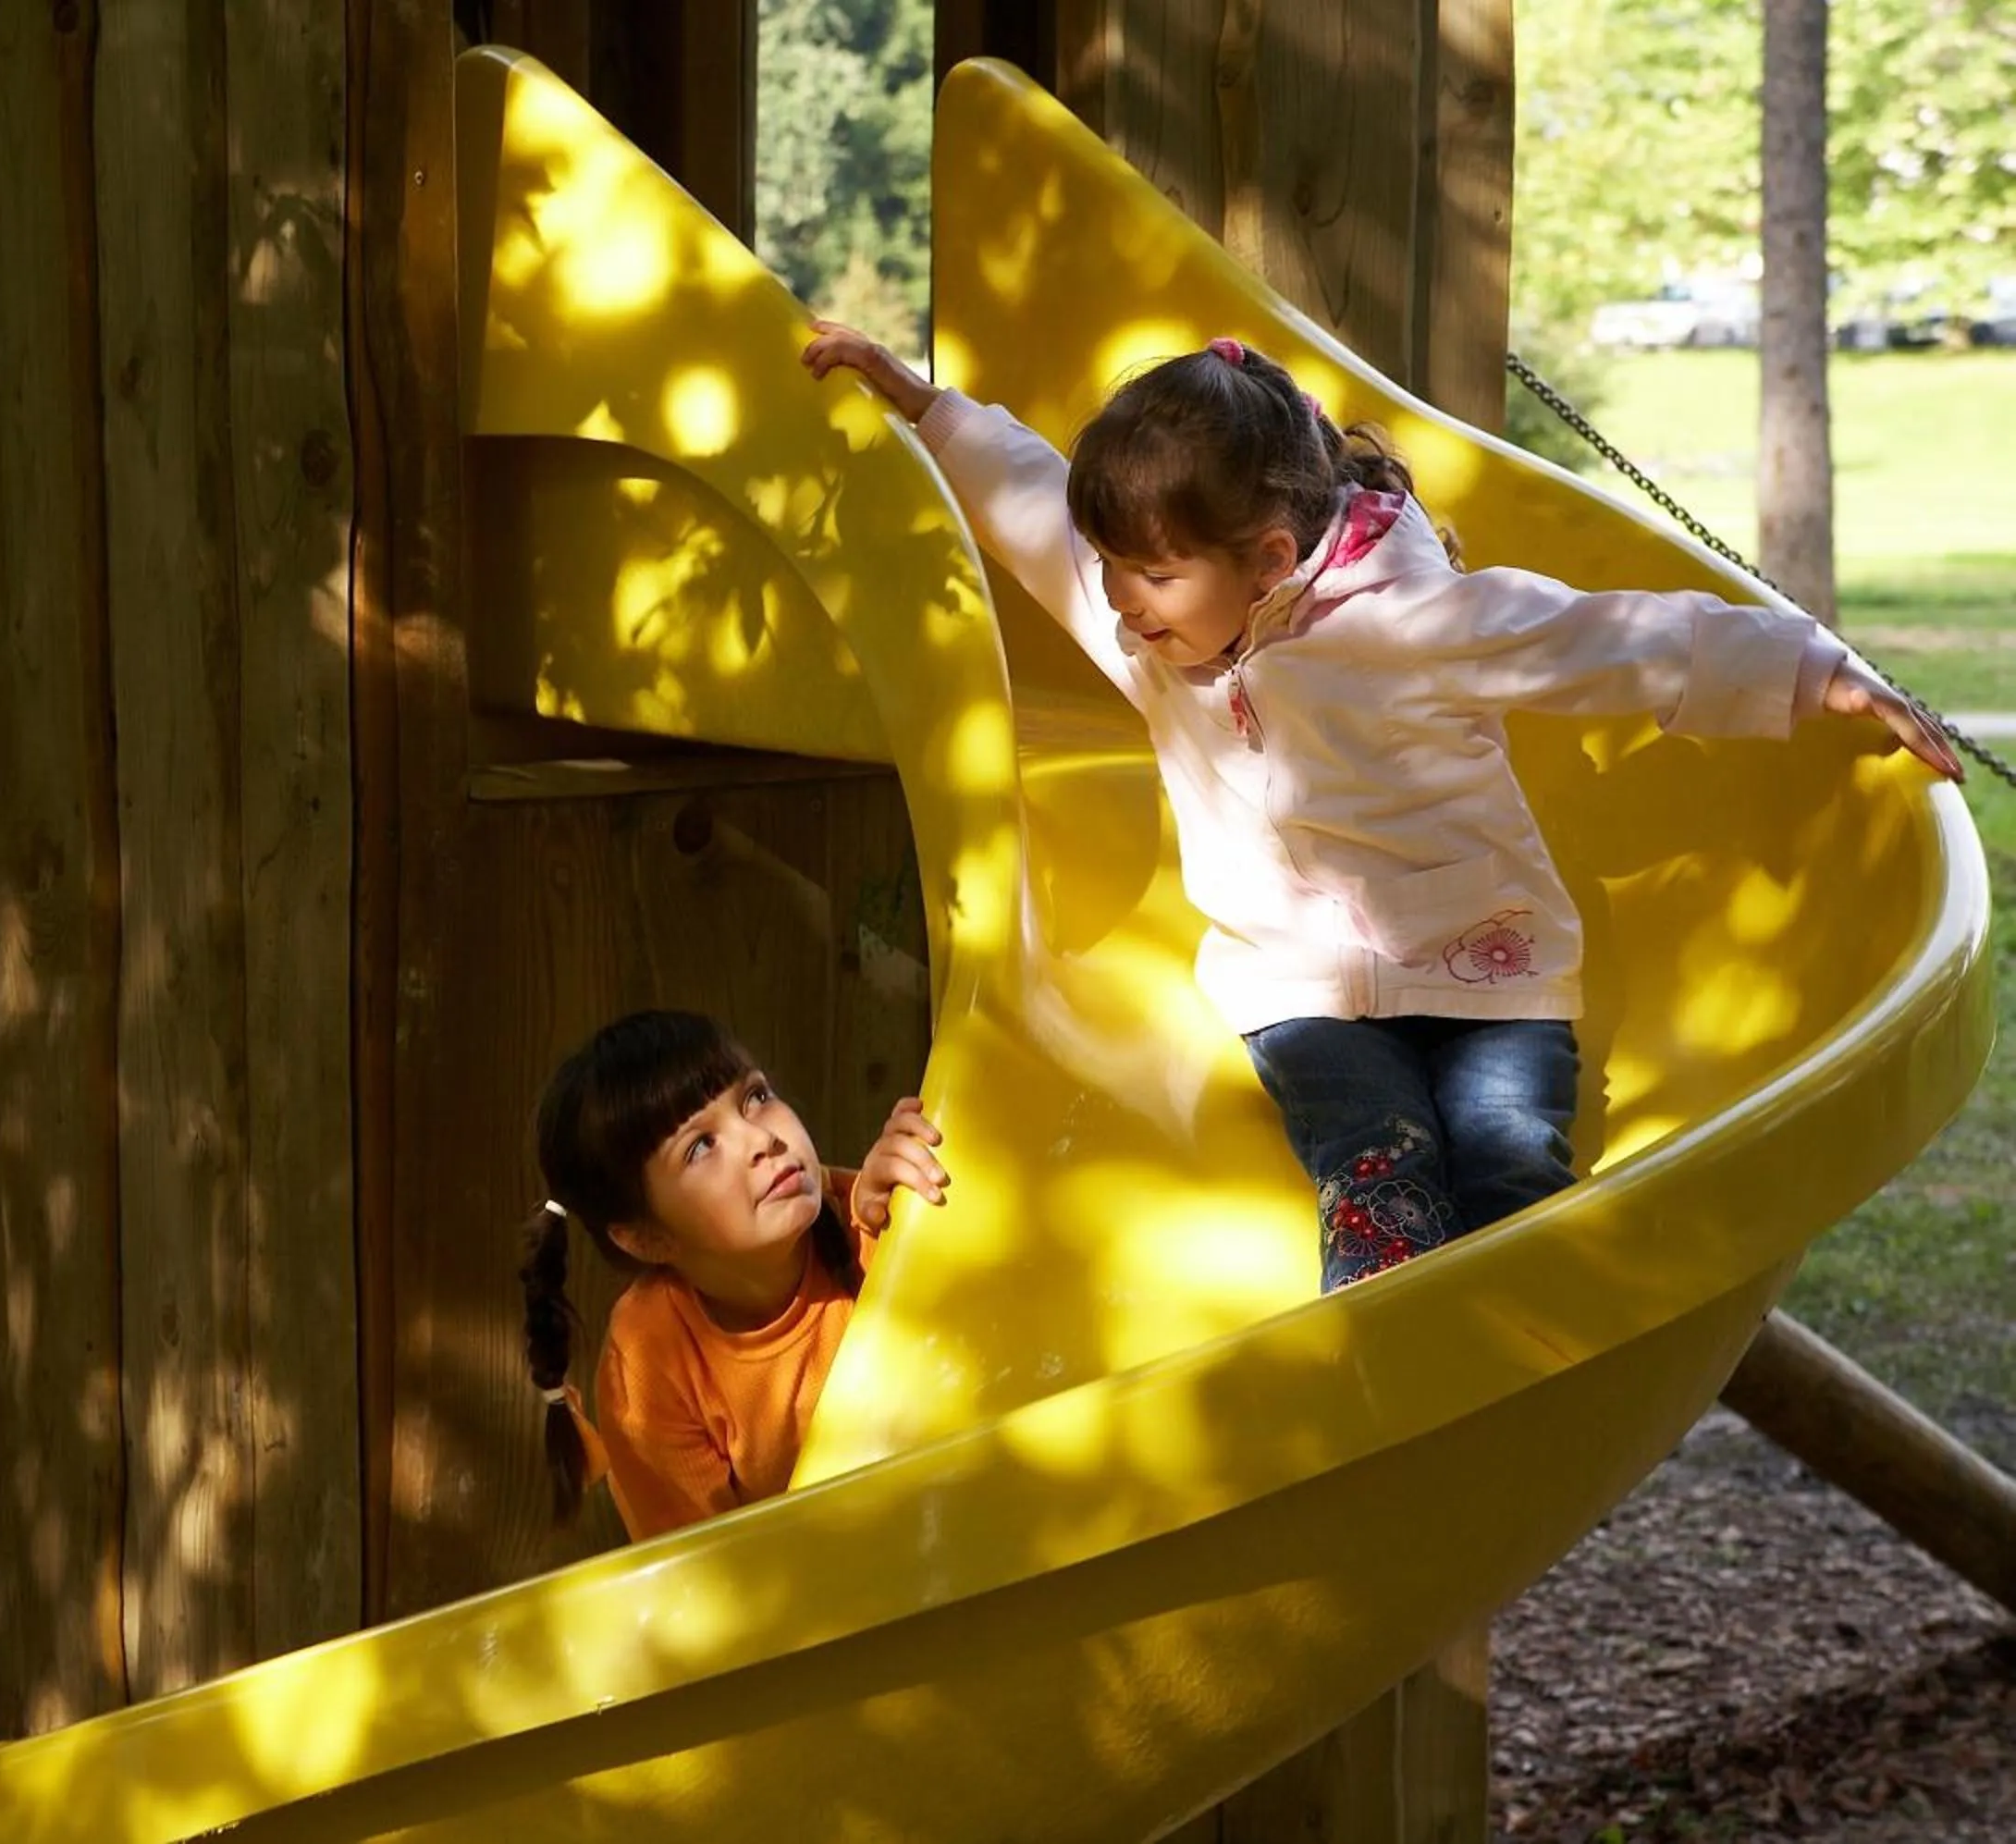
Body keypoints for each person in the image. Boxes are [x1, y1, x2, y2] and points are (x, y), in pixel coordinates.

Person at [803, 325, 1960, 1290]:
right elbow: (1032, 503)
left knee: (1509, 1164)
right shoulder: (1148, 625)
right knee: (1375, 1165)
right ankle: (1390, 1359)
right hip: (1297, 987)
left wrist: (1817, 670)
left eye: (1149, 574)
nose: (1117, 598)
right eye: (1112, 567)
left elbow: (1611, 642)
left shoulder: (1413, 624)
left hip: (1487, 966)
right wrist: (929, 407)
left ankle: (1536, 1361)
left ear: (1266, 560)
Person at [517, 1009, 950, 1537]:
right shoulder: (650, 1371)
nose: (758, 1139)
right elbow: (717, 1587)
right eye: (701, 1146)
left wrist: (922, 1219)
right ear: (647, 1238)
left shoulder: (882, 1219)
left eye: (756, 1098)